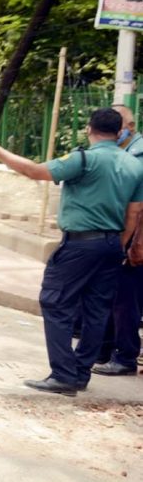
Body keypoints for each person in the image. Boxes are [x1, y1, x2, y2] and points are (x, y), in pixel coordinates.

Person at [0, 108, 143, 396]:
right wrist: (118, 245)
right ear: (120, 132)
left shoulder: (83, 159)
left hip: (80, 244)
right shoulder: (135, 166)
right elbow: (134, 213)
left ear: (89, 129)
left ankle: (63, 374)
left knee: (56, 303)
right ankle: (80, 374)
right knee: (97, 310)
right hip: (112, 245)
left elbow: (34, 171)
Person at [93, 104, 143, 376]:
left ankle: (125, 357)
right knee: (115, 297)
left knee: (126, 300)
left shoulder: (139, 154)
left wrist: (131, 243)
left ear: (128, 127)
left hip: (134, 238)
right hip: (123, 234)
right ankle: (108, 350)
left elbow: (137, 206)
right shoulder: (126, 151)